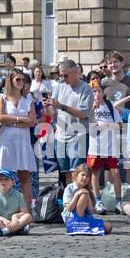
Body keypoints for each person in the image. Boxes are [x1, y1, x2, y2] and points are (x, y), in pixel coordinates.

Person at [0, 70, 36, 201]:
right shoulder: (2, 97)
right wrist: (21, 119)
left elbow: (32, 121)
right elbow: (0, 117)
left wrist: (12, 122)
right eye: (18, 80)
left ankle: (27, 211)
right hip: (6, 141)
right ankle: (5, 209)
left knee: (25, 176)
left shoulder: (28, 99)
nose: (21, 83)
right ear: (11, 81)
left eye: (23, 80)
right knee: (5, 177)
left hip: (22, 142)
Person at [46, 58, 92, 187]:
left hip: (79, 136)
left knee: (77, 173)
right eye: (61, 75)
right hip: (60, 136)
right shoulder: (59, 86)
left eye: (66, 75)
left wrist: (62, 106)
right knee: (66, 173)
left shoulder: (85, 89)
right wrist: (47, 106)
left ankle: (79, 202)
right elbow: (52, 113)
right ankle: (69, 202)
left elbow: (83, 114)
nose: (63, 78)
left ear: (75, 72)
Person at [86, 72, 124, 212]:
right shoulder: (89, 107)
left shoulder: (109, 105)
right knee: (95, 174)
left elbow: (119, 123)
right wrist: (92, 109)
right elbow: (89, 124)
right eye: (94, 91)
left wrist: (107, 126)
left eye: (99, 91)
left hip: (110, 146)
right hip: (96, 147)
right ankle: (98, 200)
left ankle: (118, 201)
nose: (96, 94)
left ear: (102, 92)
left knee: (116, 174)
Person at [62, 164, 109, 234]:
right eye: (83, 175)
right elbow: (69, 209)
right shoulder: (69, 188)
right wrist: (77, 194)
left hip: (86, 218)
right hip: (72, 218)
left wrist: (88, 198)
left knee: (108, 227)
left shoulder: (89, 190)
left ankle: (83, 226)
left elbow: (91, 212)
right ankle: (80, 225)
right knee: (83, 195)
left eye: (87, 176)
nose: (85, 178)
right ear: (77, 176)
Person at [0, 169, 32, 236]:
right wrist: (3, 220)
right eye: (0, 180)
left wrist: (15, 216)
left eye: (6, 179)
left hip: (15, 221)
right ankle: (17, 230)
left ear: (12, 182)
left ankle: (5, 231)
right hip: (1, 222)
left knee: (28, 216)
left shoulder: (19, 195)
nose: (3, 182)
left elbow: (24, 212)